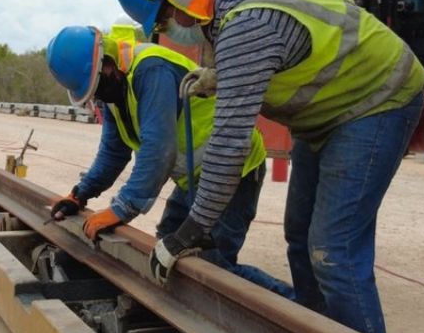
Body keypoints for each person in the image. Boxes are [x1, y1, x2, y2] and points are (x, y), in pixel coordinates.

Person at [112, 0, 424, 333]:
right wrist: (220, 78)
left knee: (334, 250)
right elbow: (276, 53)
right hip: (330, 114)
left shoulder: (246, 21)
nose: (171, 26)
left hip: (376, 101)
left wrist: (191, 229)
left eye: (165, 15)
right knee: (300, 236)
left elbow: (229, 143)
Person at [46, 25, 292, 298]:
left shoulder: (152, 70)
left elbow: (158, 149)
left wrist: (122, 208)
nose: (99, 97)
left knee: (212, 268)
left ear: (108, 64)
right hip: (193, 177)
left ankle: (299, 311)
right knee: (167, 248)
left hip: (232, 171)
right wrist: (80, 194)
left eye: (96, 88)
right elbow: (113, 153)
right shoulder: (114, 88)